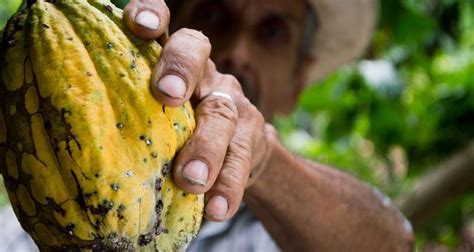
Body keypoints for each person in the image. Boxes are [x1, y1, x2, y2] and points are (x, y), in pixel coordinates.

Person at [0, 0, 414, 251]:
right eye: (213, 12)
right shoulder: (24, 224)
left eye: (272, 31)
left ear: (297, 82)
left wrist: (263, 162)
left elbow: (393, 244)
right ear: (163, 29)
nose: (237, 50)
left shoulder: (294, 230)